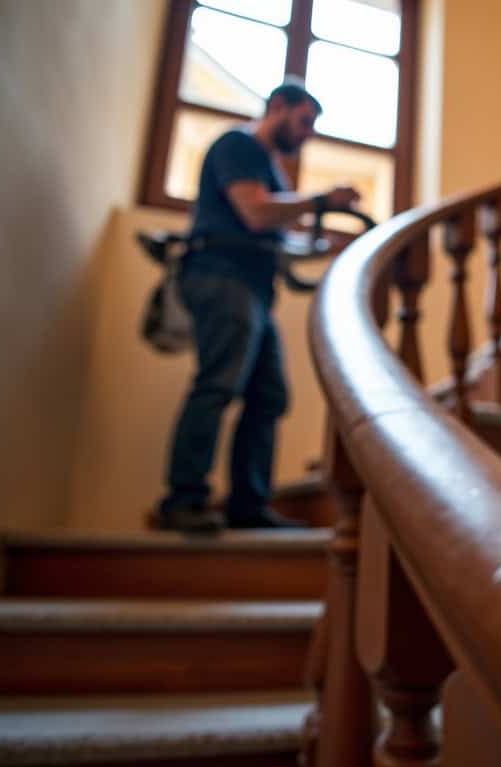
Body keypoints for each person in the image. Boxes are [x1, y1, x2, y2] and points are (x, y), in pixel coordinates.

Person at [156, 77, 359, 534]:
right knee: (217, 385)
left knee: (269, 395)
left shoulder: (271, 169)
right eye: (305, 121)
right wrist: (324, 199)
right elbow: (256, 212)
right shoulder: (239, 145)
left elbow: (276, 236)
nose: (307, 133)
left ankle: (248, 504)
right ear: (280, 106)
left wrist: (329, 243)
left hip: (253, 288)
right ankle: (183, 500)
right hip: (221, 276)